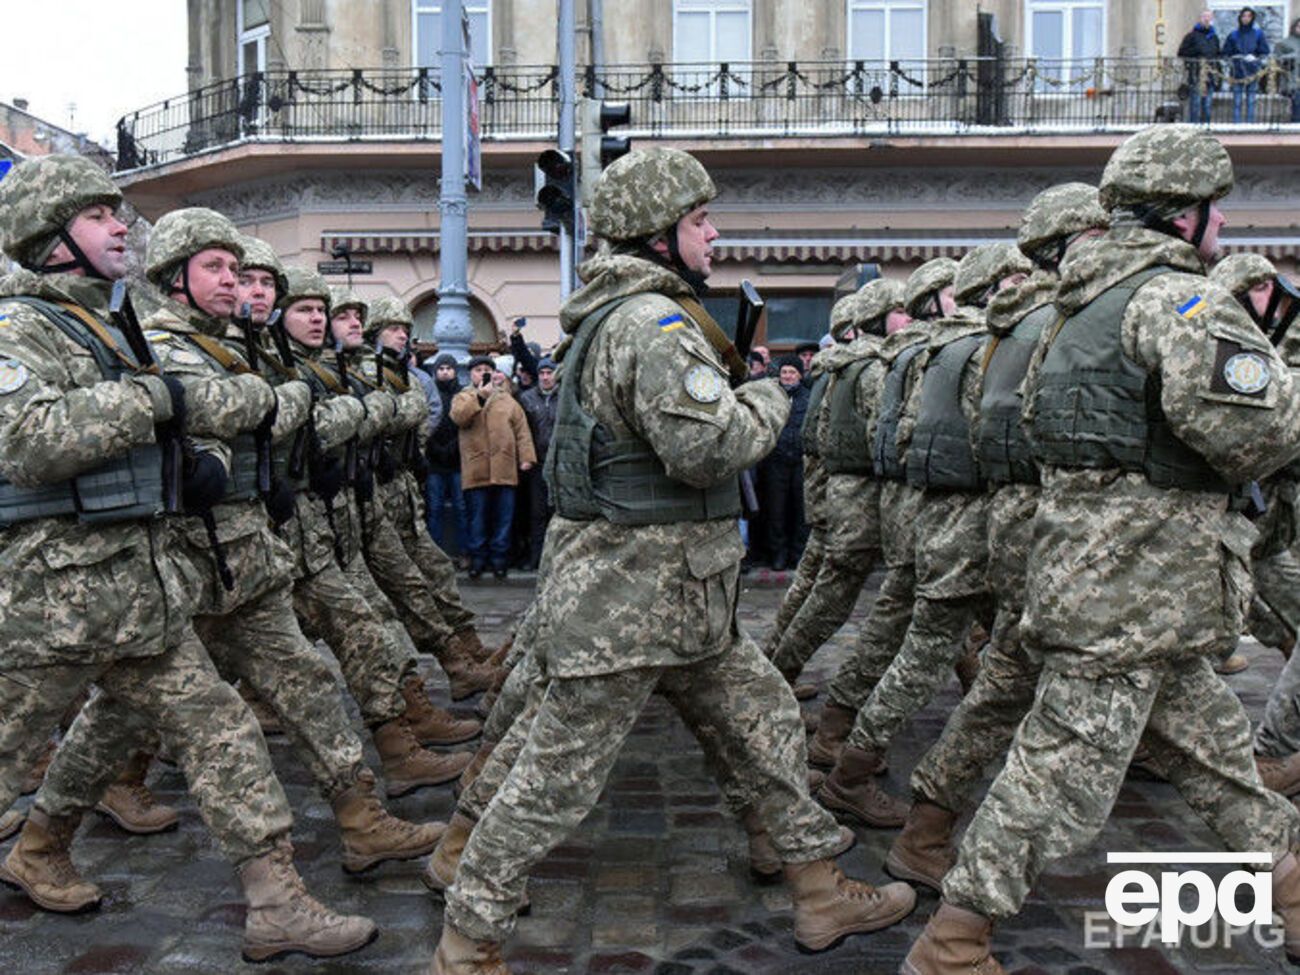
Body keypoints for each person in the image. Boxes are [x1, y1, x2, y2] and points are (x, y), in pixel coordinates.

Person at [433, 146, 915, 974]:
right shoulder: (651, 324)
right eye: (698, 221)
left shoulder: (618, 315)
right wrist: (768, 395)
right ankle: (467, 938)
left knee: (762, 719)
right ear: (658, 234)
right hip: (636, 596)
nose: (713, 234)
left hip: (676, 593)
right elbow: (708, 446)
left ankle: (815, 881)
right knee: (556, 778)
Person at [904, 123, 1300, 974]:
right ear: (1180, 214)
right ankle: (954, 942)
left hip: (1111, 574)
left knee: (1213, 747)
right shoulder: (1175, 300)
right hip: (1138, 580)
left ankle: (1290, 881)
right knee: (1057, 769)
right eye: (1214, 211)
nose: (1224, 230)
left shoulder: (1071, 306)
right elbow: (1254, 431)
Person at [0, 161, 373, 962]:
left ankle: (275, 903)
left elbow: (179, 412)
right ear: (51, 235)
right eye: (99, 214)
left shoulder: (102, 327)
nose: (120, 226)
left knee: (223, 731)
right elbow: (25, 440)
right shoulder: (16, 325)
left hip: (136, 591)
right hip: (46, 603)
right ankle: (36, 845)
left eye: (118, 211)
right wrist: (155, 400)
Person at [883, 183, 1109, 895]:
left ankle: (922, 821)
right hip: (1050, 516)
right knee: (1013, 672)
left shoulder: (994, 336)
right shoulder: (1054, 321)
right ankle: (953, 878)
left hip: (1009, 513)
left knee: (1008, 668)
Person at [817, 243, 1033, 830]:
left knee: (946, 641)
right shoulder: (977, 348)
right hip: (968, 521)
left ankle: (845, 745)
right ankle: (850, 770)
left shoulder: (934, 351)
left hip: (936, 515)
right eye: (1016, 277)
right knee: (925, 647)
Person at [774, 280, 910, 759]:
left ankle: (776, 675)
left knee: (829, 593)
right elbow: (882, 437)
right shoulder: (872, 369)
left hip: (846, 498)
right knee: (829, 601)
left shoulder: (842, 368)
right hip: (862, 501)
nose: (907, 316)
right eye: (898, 310)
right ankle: (776, 682)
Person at [451, 355, 536, 579]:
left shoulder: (508, 401)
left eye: (486, 369)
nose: (482, 373)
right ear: (471, 374)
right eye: (478, 370)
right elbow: (459, 418)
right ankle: (478, 559)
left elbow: (522, 432)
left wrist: (526, 457)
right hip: (476, 469)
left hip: (504, 469)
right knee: (477, 518)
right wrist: (480, 396)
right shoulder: (463, 396)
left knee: (503, 518)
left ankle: (499, 559)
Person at [759, 355, 810, 571]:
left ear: (800, 375)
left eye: (792, 372)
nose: (787, 377)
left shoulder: (808, 398)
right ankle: (777, 554)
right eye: (784, 372)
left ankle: (798, 554)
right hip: (775, 462)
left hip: (801, 462)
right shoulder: (771, 397)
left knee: (801, 512)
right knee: (776, 511)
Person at [426, 352, 470, 553]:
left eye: (448, 368)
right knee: (434, 509)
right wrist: (434, 446)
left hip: (457, 461)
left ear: (455, 371)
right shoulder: (429, 393)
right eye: (441, 369)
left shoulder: (462, 394)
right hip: (434, 462)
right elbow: (426, 423)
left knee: (462, 509)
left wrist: (453, 445)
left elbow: (466, 424)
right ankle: (436, 553)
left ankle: (463, 552)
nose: (444, 372)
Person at [518, 356, 559, 569]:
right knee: (536, 513)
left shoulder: (565, 397)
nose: (545, 377)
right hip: (536, 465)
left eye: (549, 373)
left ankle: (555, 559)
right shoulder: (527, 398)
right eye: (542, 373)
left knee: (557, 512)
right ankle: (536, 557)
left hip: (559, 465)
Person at [1223, 6, 1270, 122]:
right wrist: (1233, 57)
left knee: (1251, 101)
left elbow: (1265, 51)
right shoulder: (1233, 35)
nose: (1246, 18)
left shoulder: (1258, 34)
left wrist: (1255, 58)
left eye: (1249, 16)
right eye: (1244, 16)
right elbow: (1225, 52)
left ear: (1252, 18)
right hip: (1237, 71)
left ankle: (1250, 125)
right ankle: (1236, 125)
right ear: (1240, 17)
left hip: (1252, 71)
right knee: (1237, 101)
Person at [1178, 9, 1222, 123]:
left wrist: (1219, 75)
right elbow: (1181, 52)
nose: (1207, 19)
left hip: (1210, 75)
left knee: (1207, 105)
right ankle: (1194, 128)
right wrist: (1197, 51)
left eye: (1209, 17)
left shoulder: (1214, 37)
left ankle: (1206, 128)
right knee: (1195, 104)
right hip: (1196, 74)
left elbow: (1217, 56)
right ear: (1200, 19)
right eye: (1204, 17)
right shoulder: (1191, 36)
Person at [1276, 17, 1300, 122]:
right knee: (1297, 103)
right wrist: (1294, 56)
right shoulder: (1285, 43)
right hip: (1292, 80)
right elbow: (1277, 60)